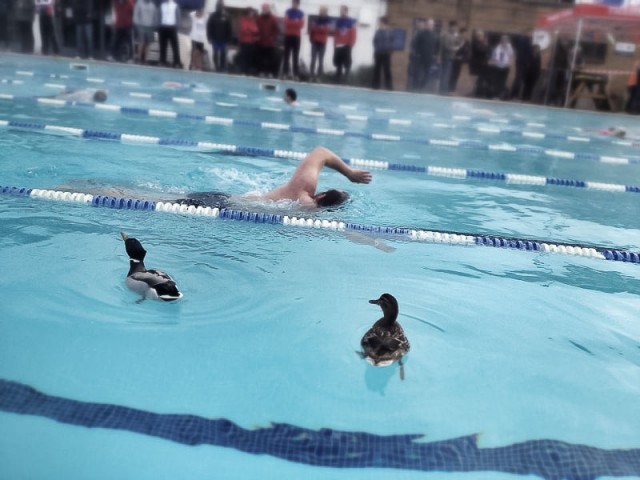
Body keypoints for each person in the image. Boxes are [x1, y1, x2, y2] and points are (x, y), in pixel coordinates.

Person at [174, 146, 371, 210]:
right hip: (230, 206)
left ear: (321, 195)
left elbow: (320, 152)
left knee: (163, 199)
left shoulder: (304, 187)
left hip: (225, 201)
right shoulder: (308, 207)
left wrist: (349, 173)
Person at [406, 18, 436, 91]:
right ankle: (415, 88)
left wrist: (434, 56)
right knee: (417, 74)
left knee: (427, 75)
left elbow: (435, 47)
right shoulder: (421, 34)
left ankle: (421, 87)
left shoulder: (434, 36)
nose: (431, 26)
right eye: (429, 24)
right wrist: (417, 54)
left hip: (429, 59)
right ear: (426, 25)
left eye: (432, 25)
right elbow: (415, 45)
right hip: (420, 58)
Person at [206, 0, 233, 72]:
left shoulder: (227, 16)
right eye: (218, 6)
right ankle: (216, 67)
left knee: (223, 54)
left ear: (223, 7)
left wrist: (229, 40)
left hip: (224, 39)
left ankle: (222, 68)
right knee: (215, 54)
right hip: (215, 38)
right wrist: (209, 37)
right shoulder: (212, 16)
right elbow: (209, 27)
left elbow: (229, 29)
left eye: (221, 6)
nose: (219, 7)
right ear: (216, 6)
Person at [333, 5, 357, 83]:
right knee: (338, 62)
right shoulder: (338, 21)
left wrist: (351, 44)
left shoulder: (350, 21)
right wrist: (335, 43)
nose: (341, 12)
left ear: (346, 11)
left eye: (343, 10)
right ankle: (338, 78)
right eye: (340, 10)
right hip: (339, 45)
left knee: (347, 62)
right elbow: (336, 34)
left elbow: (353, 34)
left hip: (347, 46)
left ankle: (346, 78)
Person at [256, 3, 280, 77]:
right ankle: (261, 72)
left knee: (270, 59)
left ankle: (269, 72)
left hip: (270, 43)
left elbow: (276, 30)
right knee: (261, 59)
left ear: (268, 10)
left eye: (266, 9)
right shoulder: (259, 18)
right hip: (261, 42)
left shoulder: (273, 18)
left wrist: (273, 37)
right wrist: (257, 36)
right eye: (263, 9)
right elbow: (256, 28)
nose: (265, 10)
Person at [282, 0, 304, 80]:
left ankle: (295, 74)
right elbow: (286, 22)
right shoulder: (288, 11)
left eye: (295, 3)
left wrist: (292, 22)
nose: (294, 4)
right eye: (293, 3)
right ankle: (285, 73)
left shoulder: (301, 13)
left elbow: (301, 25)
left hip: (296, 37)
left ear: (298, 4)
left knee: (295, 56)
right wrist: (295, 22)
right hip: (288, 36)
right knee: (286, 56)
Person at [488, 34, 513, 99]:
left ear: (507, 41)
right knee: (496, 81)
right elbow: (493, 57)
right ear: (501, 41)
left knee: (502, 82)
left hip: (505, 68)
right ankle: (495, 95)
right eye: (503, 40)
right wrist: (493, 62)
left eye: (506, 40)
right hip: (497, 67)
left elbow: (511, 57)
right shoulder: (497, 48)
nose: (504, 42)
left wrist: (509, 63)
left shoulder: (509, 48)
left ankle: (500, 95)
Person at [308, 6, 330, 82]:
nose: (322, 13)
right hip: (314, 42)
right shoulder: (316, 20)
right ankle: (311, 75)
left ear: (326, 13)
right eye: (321, 11)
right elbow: (312, 30)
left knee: (321, 60)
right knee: (313, 59)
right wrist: (311, 39)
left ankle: (319, 77)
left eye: (324, 11)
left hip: (322, 43)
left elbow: (325, 30)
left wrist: (318, 28)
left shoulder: (327, 21)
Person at [158, 0, 182, 68]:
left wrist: (177, 27)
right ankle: (162, 61)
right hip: (163, 27)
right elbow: (159, 15)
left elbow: (178, 16)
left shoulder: (175, 5)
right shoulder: (162, 5)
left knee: (175, 46)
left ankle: (177, 62)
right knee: (162, 46)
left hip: (172, 27)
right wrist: (159, 26)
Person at [372, 16, 394, 91]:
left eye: (380, 22)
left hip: (386, 53)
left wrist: (390, 50)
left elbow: (392, 42)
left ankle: (389, 87)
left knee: (387, 70)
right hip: (378, 53)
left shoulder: (389, 31)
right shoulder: (378, 31)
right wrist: (376, 49)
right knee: (377, 69)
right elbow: (374, 41)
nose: (379, 23)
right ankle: (375, 86)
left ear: (383, 22)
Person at [133, 0, 158, 65]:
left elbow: (155, 15)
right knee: (141, 43)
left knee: (148, 44)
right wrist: (137, 24)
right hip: (141, 26)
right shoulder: (139, 3)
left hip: (150, 27)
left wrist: (155, 25)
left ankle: (145, 60)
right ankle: (139, 59)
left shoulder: (153, 5)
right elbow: (136, 14)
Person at [438, 20, 459, 95]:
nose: (455, 29)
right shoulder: (446, 35)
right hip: (446, 57)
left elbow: (458, 43)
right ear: (451, 27)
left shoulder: (454, 35)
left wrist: (457, 39)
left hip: (451, 57)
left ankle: (445, 89)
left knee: (448, 74)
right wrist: (454, 48)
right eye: (454, 27)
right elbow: (446, 46)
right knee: (445, 74)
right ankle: (442, 90)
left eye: (456, 27)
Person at [237, 7, 259, 75]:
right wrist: (250, 29)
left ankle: (248, 71)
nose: (251, 14)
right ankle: (242, 71)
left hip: (251, 42)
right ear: (247, 13)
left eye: (252, 13)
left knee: (250, 58)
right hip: (244, 41)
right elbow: (243, 29)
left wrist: (249, 29)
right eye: (250, 12)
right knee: (243, 57)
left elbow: (256, 30)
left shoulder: (253, 20)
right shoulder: (243, 19)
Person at [469, 29, 490, 97]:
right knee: (474, 79)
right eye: (479, 35)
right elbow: (480, 50)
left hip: (482, 64)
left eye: (481, 35)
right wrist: (485, 46)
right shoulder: (475, 42)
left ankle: (477, 92)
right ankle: (473, 92)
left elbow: (486, 52)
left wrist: (485, 45)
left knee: (480, 79)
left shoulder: (482, 43)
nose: (481, 36)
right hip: (475, 63)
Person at [449, 27, 470, 94]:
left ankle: (453, 89)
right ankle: (448, 88)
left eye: (466, 34)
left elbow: (467, 53)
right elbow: (452, 48)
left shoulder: (467, 43)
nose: (465, 35)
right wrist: (454, 55)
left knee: (456, 75)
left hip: (460, 61)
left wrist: (462, 58)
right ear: (460, 34)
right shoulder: (456, 40)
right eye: (463, 34)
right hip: (453, 60)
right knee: (451, 74)